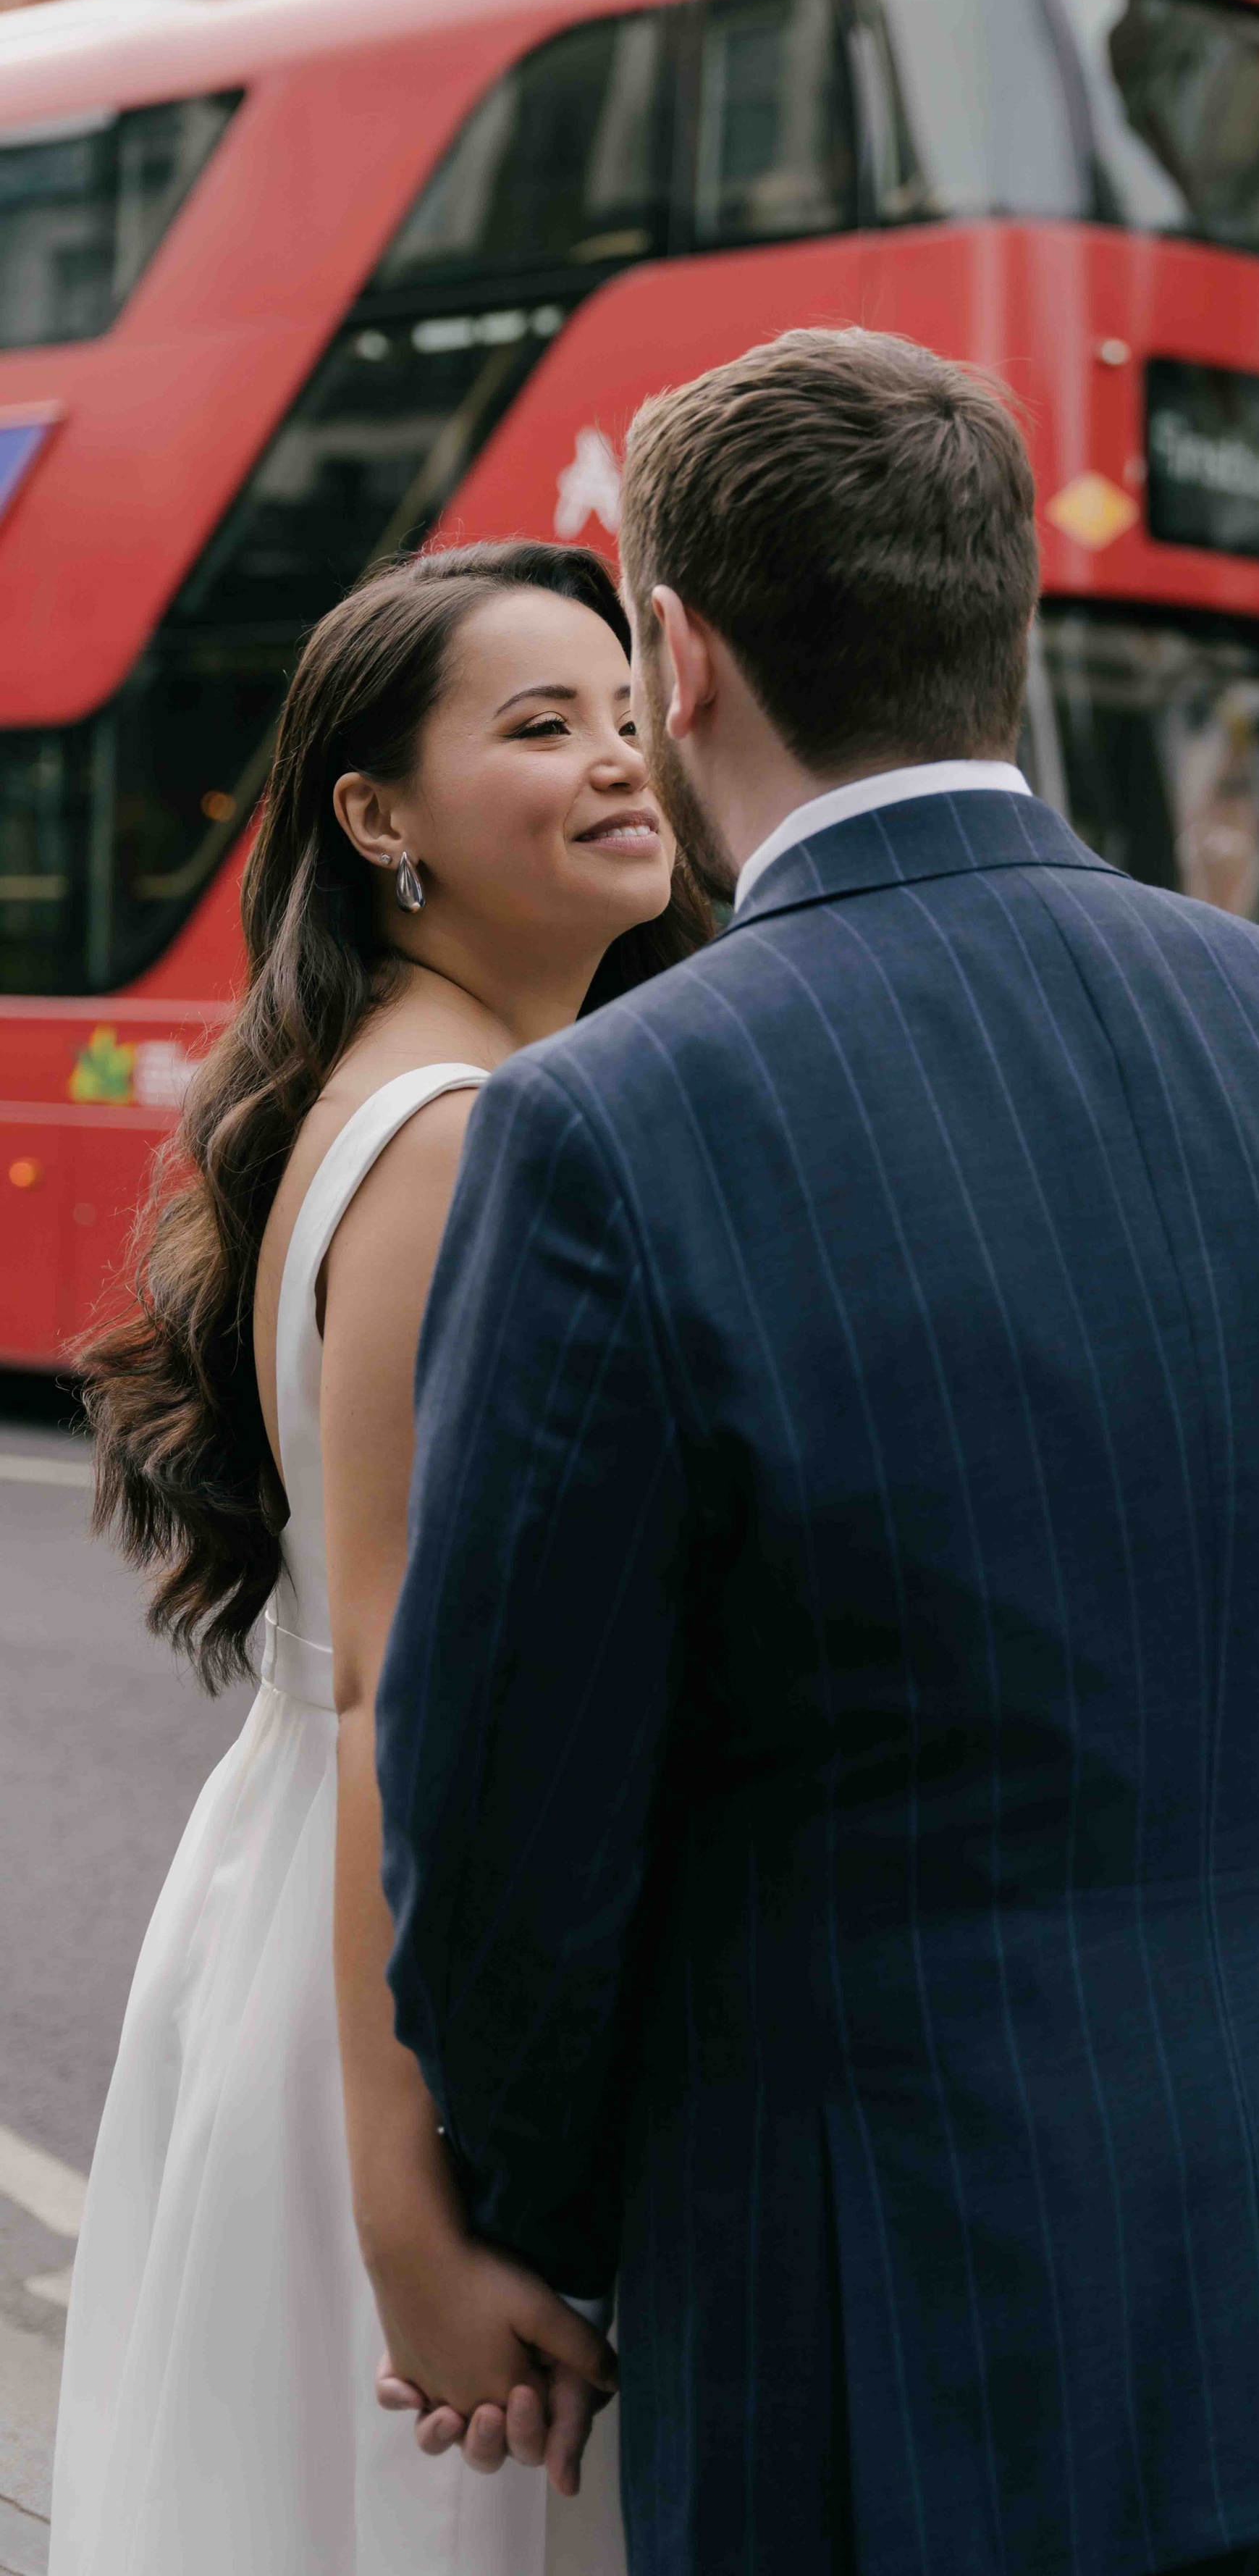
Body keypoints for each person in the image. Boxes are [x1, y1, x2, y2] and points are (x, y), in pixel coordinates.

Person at [372, 330, 1259, 2576]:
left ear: (677, 655)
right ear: (1015, 625)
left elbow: (508, 1808)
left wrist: (533, 2211)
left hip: (867, 2296)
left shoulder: (610, 1122)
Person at [57, 540, 708, 2576]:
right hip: (395, 2013)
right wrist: (409, 2216)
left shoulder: (441, 1086)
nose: (620, 759)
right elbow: (392, 1691)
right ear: (377, 816)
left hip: (313, 1945)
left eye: (628, 712)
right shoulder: (455, 1130)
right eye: (541, 725)